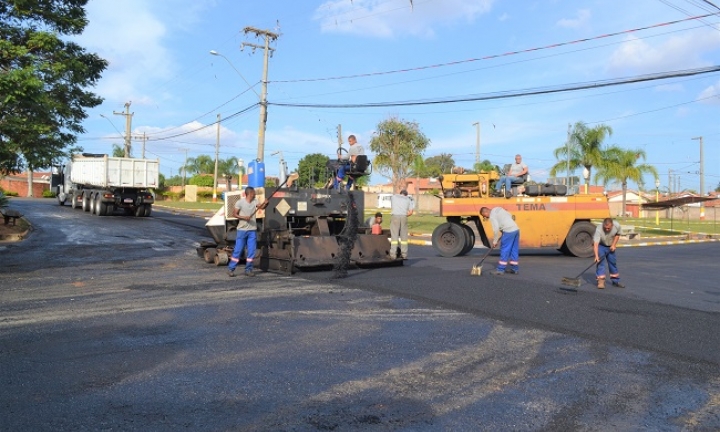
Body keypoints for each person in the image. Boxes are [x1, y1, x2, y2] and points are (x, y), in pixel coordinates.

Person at [228, 186, 268, 278]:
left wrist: (266, 204)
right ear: (249, 193)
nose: (255, 194)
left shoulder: (255, 201)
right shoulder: (240, 202)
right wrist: (244, 217)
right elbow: (234, 214)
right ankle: (231, 269)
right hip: (242, 230)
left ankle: (248, 269)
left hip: (252, 231)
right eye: (254, 193)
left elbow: (261, 207)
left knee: (251, 251)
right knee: (238, 250)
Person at [480, 206, 520, 275]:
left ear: (485, 212)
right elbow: (510, 215)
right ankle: (514, 269)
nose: (486, 218)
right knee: (514, 250)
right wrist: (503, 228)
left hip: (509, 231)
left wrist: (495, 241)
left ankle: (500, 270)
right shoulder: (497, 208)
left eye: (485, 216)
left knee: (504, 250)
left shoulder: (492, 216)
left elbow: (495, 230)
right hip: (516, 229)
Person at [593, 217, 624, 289]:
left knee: (612, 263)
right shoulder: (599, 229)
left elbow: (617, 234)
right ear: (603, 225)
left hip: (610, 246)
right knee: (600, 263)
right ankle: (601, 281)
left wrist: (614, 244)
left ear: (612, 226)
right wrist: (596, 256)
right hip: (601, 246)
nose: (606, 230)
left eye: (608, 228)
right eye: (605, 228)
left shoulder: (616, 226)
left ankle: (615, 281)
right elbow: (595, 244)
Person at [390, 190, 414, 260]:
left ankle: (393, 255)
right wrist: (404, 215)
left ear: (400, 193)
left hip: (395, 217)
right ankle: (404, 255)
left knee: (394, 236)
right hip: (404, 217)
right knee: (404, 237)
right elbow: (410, 212)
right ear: (406, 195)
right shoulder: (408, 199)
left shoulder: (393, 197)